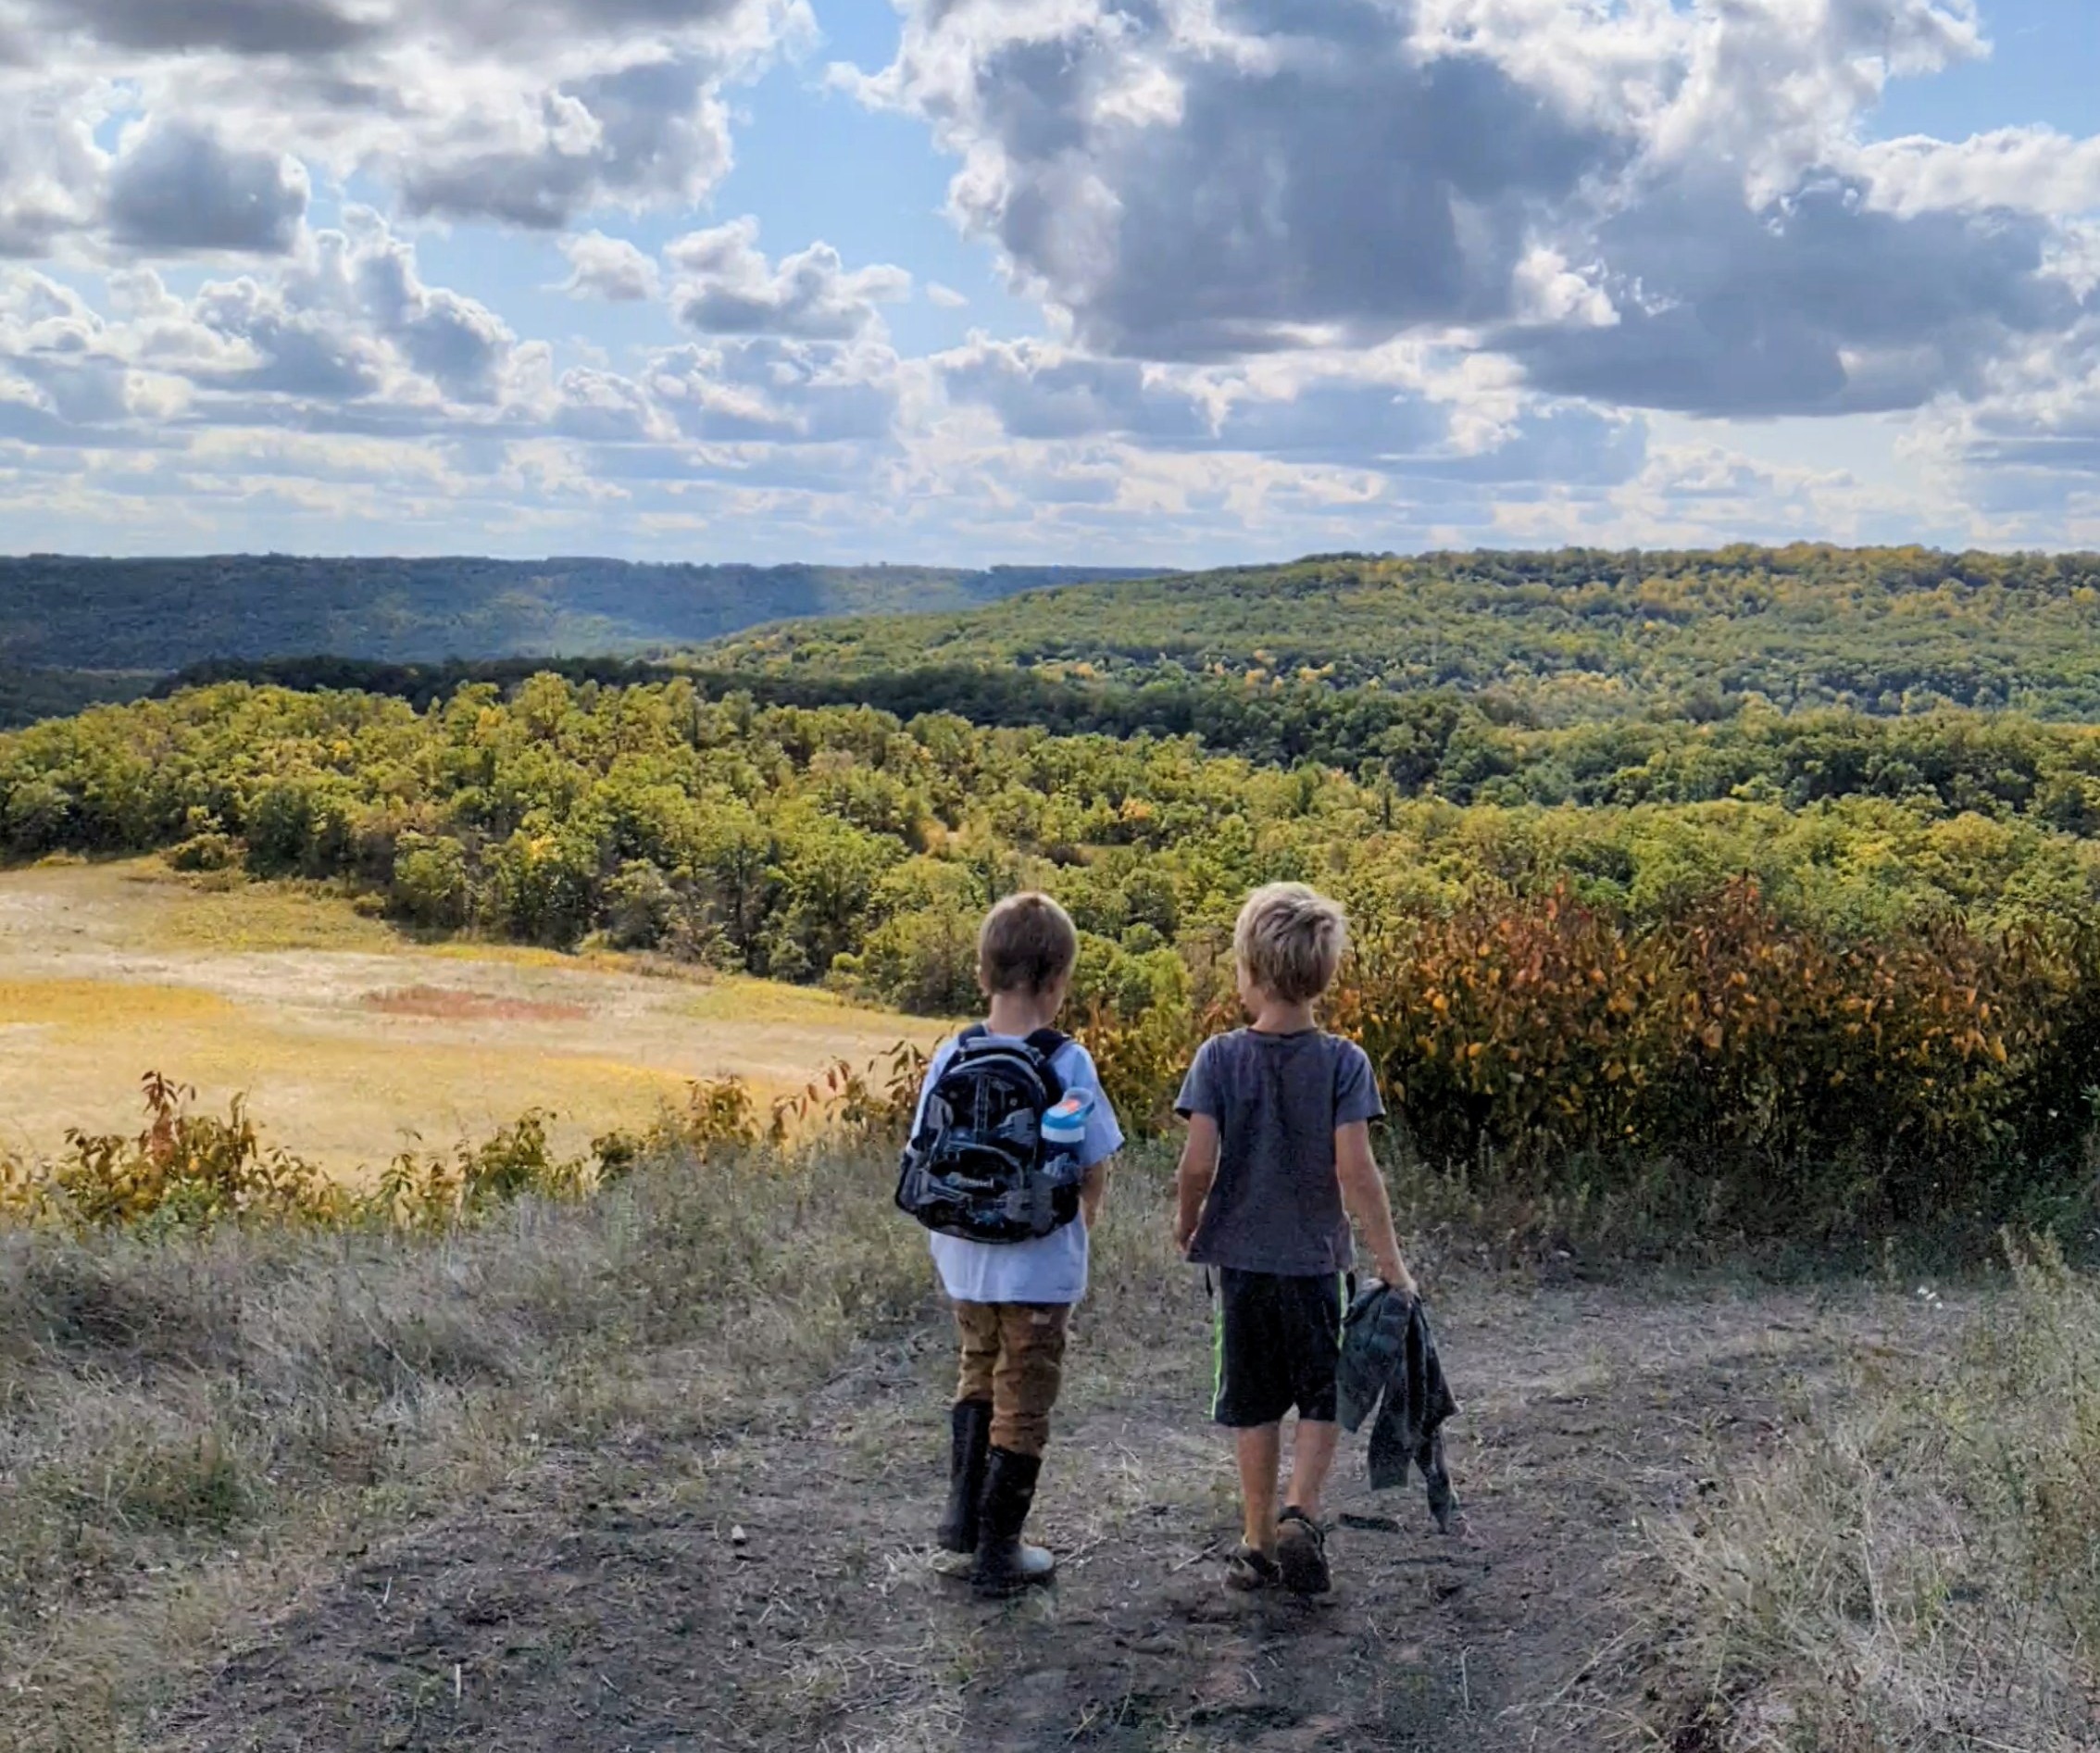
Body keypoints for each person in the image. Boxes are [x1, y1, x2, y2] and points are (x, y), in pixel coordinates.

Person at [1173, 882, 1419, 1596]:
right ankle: (1303, 1513)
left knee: (1252, 1400)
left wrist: (1189, 1222)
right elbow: (1356, 1170)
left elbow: (1197, 1163)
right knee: (1320, 1392)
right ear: (1323, 975)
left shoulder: (1217, 1058)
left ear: (1248, 971)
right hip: (1317, 1264)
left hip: (1243, 1267)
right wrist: (1392, 1264)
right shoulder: (1345, 1062)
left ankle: (1255, 1541)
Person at [907, 893, 1122, 1596]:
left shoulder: (953, 1052)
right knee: (1024, 1397)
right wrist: (1078, 1227)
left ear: (982, 974)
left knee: (977, 1368)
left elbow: (921, 1150)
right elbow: (1096, 1161)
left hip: (963, 1259)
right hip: (1038, 1268)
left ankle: (961, 1520)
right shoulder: (1067, 1060)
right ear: (1058, 981)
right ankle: (1002, 1549)